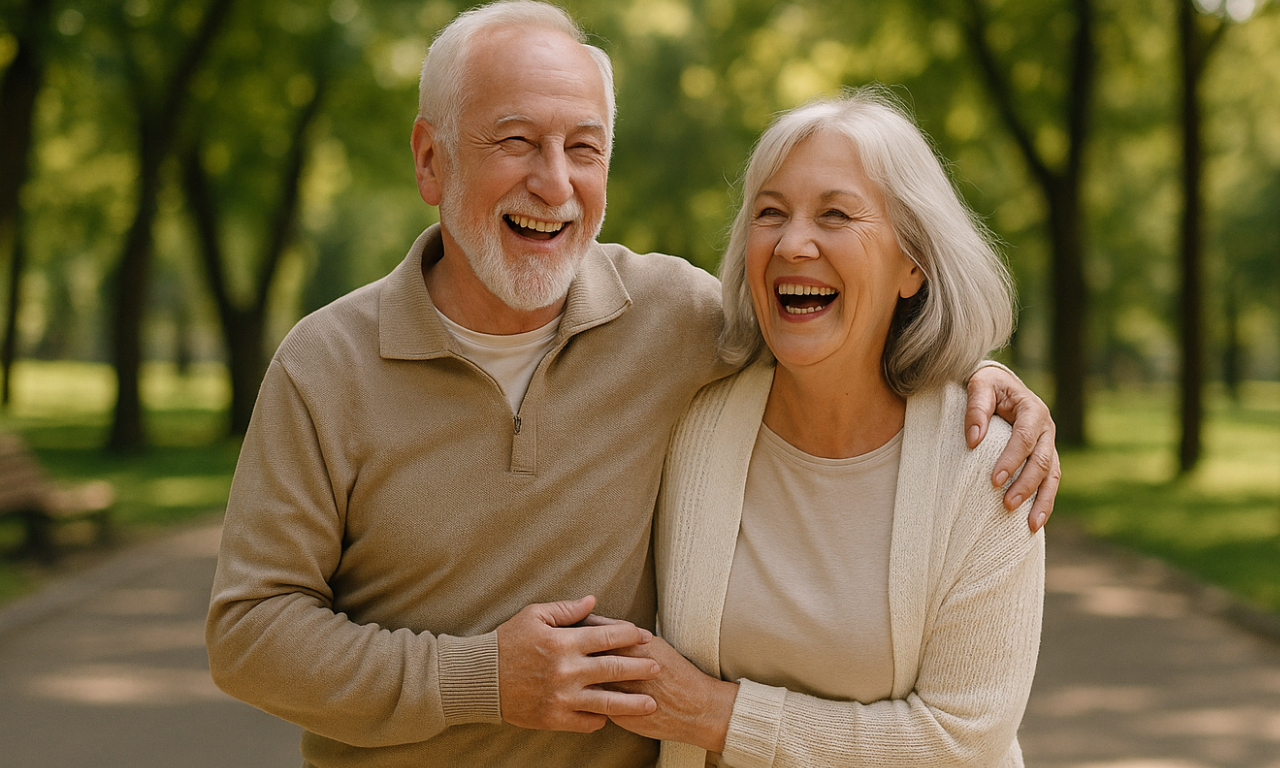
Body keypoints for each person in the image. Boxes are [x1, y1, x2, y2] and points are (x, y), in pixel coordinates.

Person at [205, 3, 1059, 767]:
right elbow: (248, 636)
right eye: (515, 141)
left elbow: (839, 327)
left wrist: (976, 376)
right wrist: (481, 679)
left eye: (584, 147)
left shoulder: (673, 320)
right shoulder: (326, 365)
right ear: (431, 162)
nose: (554, 182)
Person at [604, 90, 1045, 767]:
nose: (792, 242)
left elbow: (961, 742)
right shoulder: (687, 412)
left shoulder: (986, 466)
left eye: (835, 214)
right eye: (770, 213)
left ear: (912, 265)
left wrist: (720, 717)